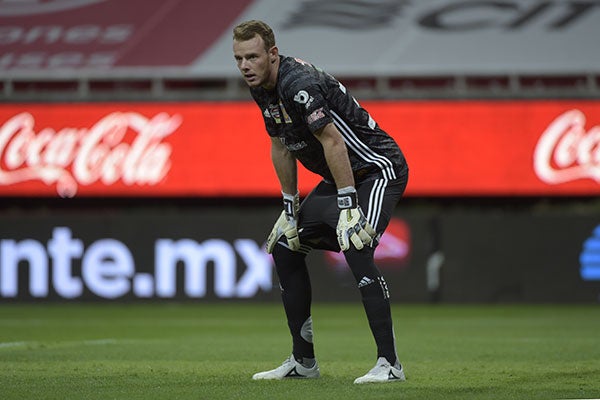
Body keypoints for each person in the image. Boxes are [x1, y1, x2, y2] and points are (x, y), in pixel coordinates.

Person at [233, 20, 409, 384]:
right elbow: (280, 145)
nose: (245, 65)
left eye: (252, 56)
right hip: (338, 176)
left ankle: (390, 365)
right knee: (285, 246)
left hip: (377, 170)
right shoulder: (262, 88)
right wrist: (289, 207)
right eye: (239, 58)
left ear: (273, 54)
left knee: (355, 243)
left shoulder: (298, 84)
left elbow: (332, 142)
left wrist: (348, 207)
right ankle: (303, 362)